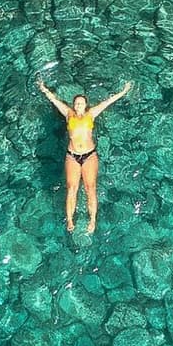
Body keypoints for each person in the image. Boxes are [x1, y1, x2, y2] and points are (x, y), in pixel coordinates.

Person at [37, 77, 131, 234]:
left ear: (86, 105)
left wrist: (123, 91)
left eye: (81, 103)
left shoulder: (91, 114)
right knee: (72, 188)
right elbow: (54, 100)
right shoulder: (68, 114)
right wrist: (44, 88)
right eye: (76, 103)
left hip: (89, 155)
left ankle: (92, 219)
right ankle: (70, 220)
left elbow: (107, 102)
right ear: (74, 105)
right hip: (72, 155)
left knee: (90, 187)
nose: (79, 105)